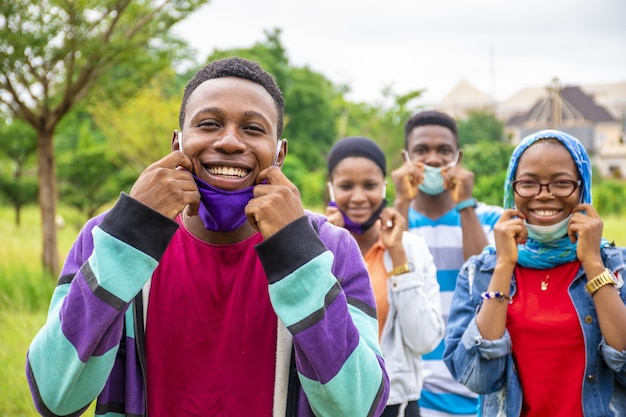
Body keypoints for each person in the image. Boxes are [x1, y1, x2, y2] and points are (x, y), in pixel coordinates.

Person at [25, 57, 390, 417]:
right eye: (209, 124)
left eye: (253, 129)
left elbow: (358, 407)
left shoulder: (330, 249)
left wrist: (295, 254)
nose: (230, 142)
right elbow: (54, 397)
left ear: (279, 153)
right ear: (177, 143)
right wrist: (130, 236)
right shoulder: (108, 237)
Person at [443, 129, 626, 416]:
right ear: (512, 188)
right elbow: (476, 377)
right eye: (528, 183)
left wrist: (592, 262)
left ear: (582, 187)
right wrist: (503, 266)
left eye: (561, 183)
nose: (544, 195)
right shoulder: (480, 271)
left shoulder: (617, 267)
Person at [391, 110, 503, 417]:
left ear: (458, 158)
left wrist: (465, 205)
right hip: (413, 393)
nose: (434, 159)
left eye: (443, 151)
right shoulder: (389, 222)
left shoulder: (490, 220)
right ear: (405, 157)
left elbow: (483, 281)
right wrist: (401, 201)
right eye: (421, 151)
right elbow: (390, 268)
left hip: (476, 389)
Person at [325, 136, 445, 417]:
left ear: (384, 187)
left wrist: (398, 257)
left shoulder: (411, 249)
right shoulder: (316, 243)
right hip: (331, 404)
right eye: (346, 186)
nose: (358, 197)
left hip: (395, 405)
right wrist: (328, 246)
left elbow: (425, 340)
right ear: (331, 187)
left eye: (369, 185)